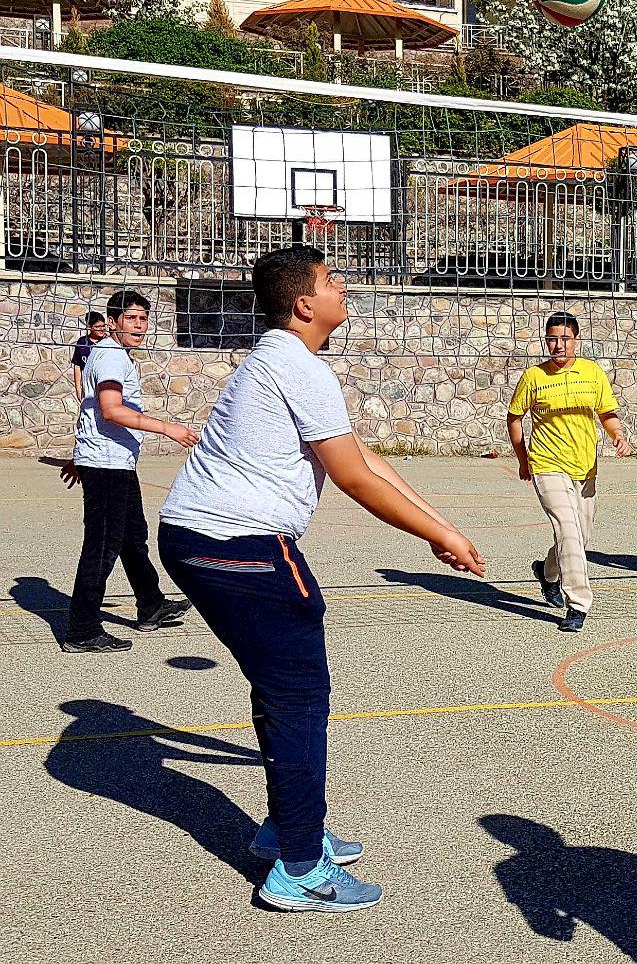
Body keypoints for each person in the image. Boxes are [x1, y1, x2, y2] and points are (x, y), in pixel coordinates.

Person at [158, 247, 486, 913]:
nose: (345, 287)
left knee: (281, 689)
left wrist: (441, 524)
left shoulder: (283, 363)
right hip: (237, 546)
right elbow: (355, 479)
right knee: (300, 696)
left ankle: (290, 827)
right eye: (333, 280)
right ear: (306, 304)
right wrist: (437, 536)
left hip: (202, 538)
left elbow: (359, 455)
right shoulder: (295, 364)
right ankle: (300, 868)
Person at [61, 290, 197, 653]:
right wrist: (168, 428)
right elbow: (110, 409)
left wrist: (79, 455)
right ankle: (82, 629)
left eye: (143, 318)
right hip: (106, 465)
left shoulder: (113, 354)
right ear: (114, 322)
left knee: (132, 537)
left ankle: (150, 604)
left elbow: (90, 409)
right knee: (102, 544)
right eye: (132, 318)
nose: (140, 325)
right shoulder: (110, 357)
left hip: (113, 461)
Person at [508, 311, 631, 634]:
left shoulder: (592, 373)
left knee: (578, 535)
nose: (557, 344)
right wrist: (523, 460)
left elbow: (607, 413)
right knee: (568, 528)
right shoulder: (534, 377)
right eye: (552, 338)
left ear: (576, 339)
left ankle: (547, 572)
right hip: (546, 463)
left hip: (585, 466)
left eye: (564, 338)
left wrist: (617, 435)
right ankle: (577, 604)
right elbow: (514, 418)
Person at [71, 310, 107, 404]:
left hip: (105, 387)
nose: (102, 329)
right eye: (97, 327)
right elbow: (77, 366)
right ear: (89, 327)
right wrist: (78, 390)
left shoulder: (108, 342)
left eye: (103, 326)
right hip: (89, 388)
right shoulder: (82, 343)